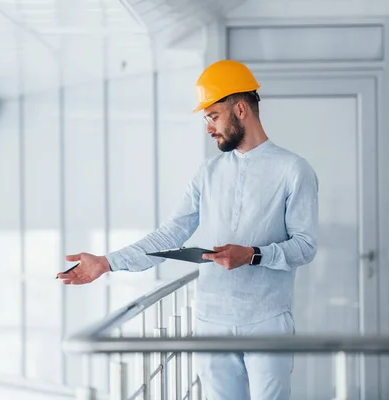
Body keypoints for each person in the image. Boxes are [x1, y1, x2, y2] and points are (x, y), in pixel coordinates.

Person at [56, 59, 319, 400]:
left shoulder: (294, 170)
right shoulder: (207, 172)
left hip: (267, 318)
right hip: (211, 320)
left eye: (213, 116)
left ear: (240, 109)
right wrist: (107, 262)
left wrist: (253, 255)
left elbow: (305, 246)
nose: (209, 128)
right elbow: (169, 235)